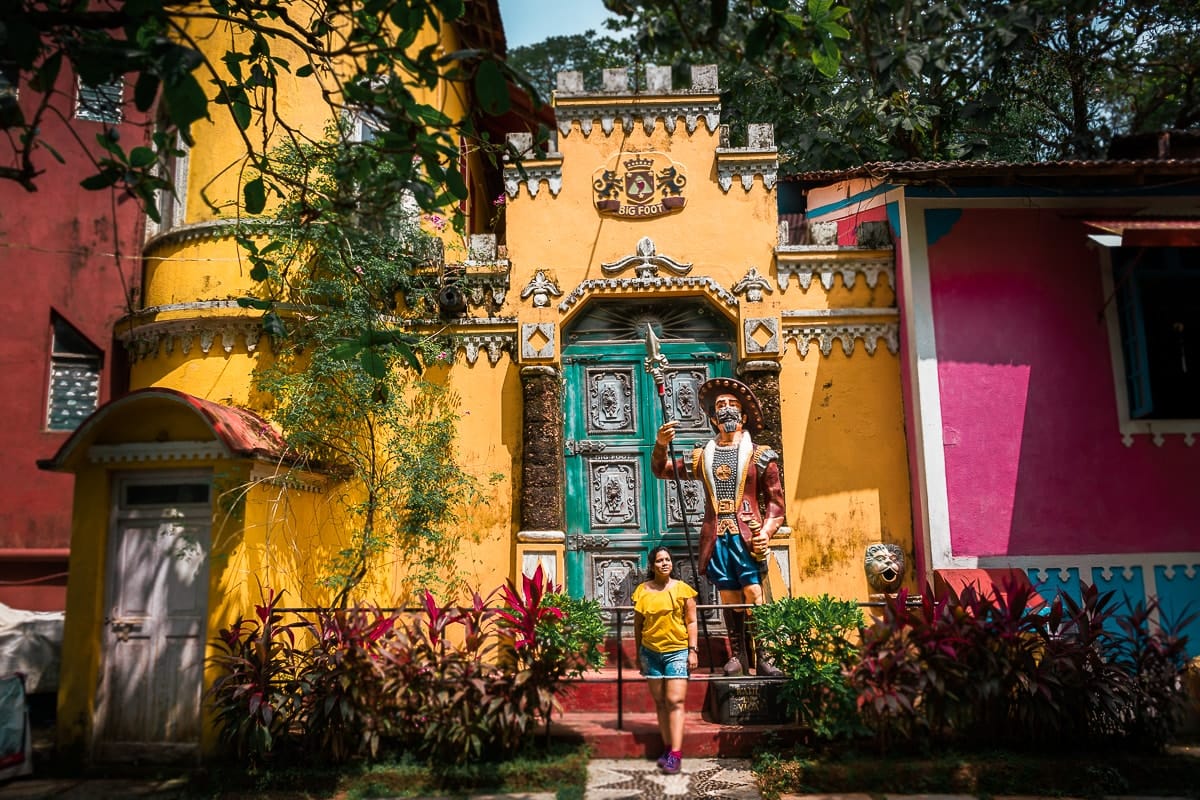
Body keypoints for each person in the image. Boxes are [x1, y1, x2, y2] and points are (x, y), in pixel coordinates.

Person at [651, 377, 785, 676]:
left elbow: (776, 505)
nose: (727, 410)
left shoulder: (761, 456)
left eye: (733, 405)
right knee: (729, 598)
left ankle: (764, 655)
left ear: (744, 416)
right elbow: (662, 470)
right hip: (717, 536)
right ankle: (737, 655)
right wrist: (661, 445)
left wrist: (765, 532)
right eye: (721, 406)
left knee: (753, 594)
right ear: (712, 417)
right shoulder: (702, 458)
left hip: (747, 535)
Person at [632, 545, 698, 775]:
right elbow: (638, 625)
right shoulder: (642, 590)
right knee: (660, 702)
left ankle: (676, 754)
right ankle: (668, 748)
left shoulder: (683, 590)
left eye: (667, 560)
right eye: (659, 560)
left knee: (675, 700)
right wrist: (639, 652)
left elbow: (691, 622)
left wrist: (693, 650)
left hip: (677, 651)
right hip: (650, 652)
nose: (664, 563)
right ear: (652, 565)